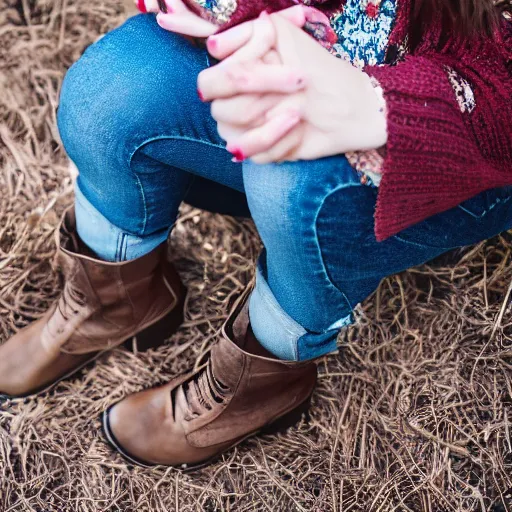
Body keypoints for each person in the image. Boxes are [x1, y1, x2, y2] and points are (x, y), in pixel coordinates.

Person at [0, 0, 510, 470]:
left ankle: (264, 378)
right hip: (309, 55)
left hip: (469, 140)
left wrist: (383, 106)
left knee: (291, 179)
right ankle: (115, 302)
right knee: (106, 95)